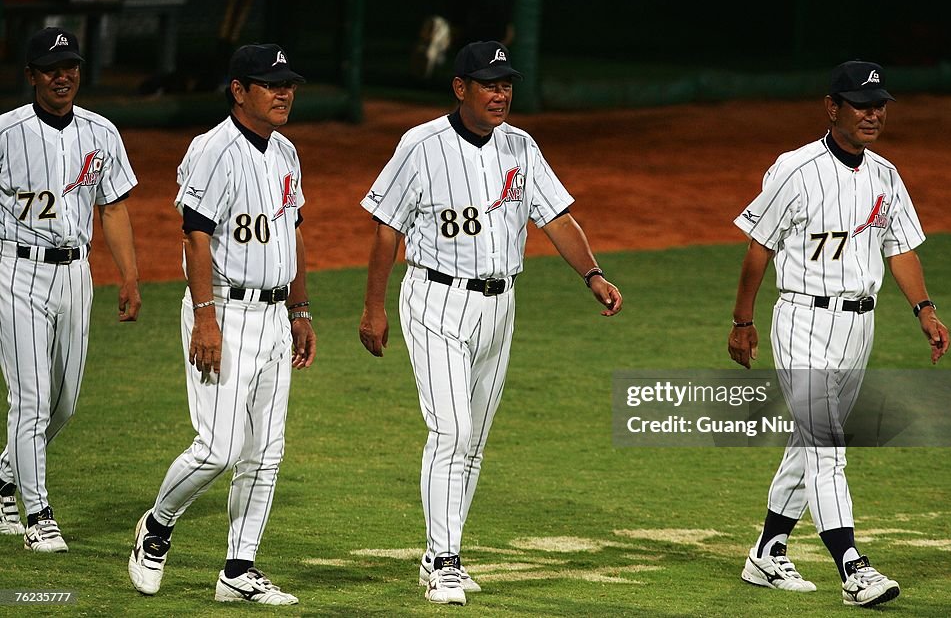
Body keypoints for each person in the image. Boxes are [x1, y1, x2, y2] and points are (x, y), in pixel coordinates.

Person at [359, 40, 623, 605]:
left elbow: (557, 219)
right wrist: (373, 308)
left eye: (506, 85)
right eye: (489, 84)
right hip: (435, 300)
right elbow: (387, 229)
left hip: (501, 306)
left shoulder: (520, 146)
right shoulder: (420, 145)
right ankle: (444, 562)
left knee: (474, 441)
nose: (501, 94)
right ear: (461, 88)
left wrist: (593, 275)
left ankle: (441, 552)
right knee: (451, 432)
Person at [727, 60, 950, 608]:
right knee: (827, 446)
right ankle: (853, 568)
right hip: (803, 320)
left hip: (859, 326)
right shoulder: (795, 169)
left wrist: (924, 309)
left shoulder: (885, 175)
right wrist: (742, 321)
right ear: (833, 108)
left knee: (810, 442)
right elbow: (759, 247)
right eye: (861, 105)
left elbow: (900, 248)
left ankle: (768, 552)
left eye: (879, 106)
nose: (873, 115)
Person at [128, 43, 315, 605]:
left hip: (275, 315)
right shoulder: (212, 149)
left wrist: (300, 309)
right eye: (271, 85)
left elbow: (293, 233)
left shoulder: (286, 152)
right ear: (239, 90)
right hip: (224, 311)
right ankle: (157, 526)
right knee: (218, 448)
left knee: (266, 452)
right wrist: (205, 318)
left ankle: (238, 570)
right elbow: (196, 235)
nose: (284, 93)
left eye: (288, 84)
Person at [0, 27, 141, 552]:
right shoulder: (6, 132)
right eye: (51, 69)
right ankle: (37, 515)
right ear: (31, 75)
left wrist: (129, 275)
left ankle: (3, 478)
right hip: (16, 272)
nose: (63, 77)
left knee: (63, 404)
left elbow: (113, 207)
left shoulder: (101, 132)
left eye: (71, 68)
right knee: (32, 400)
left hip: (77, 274)